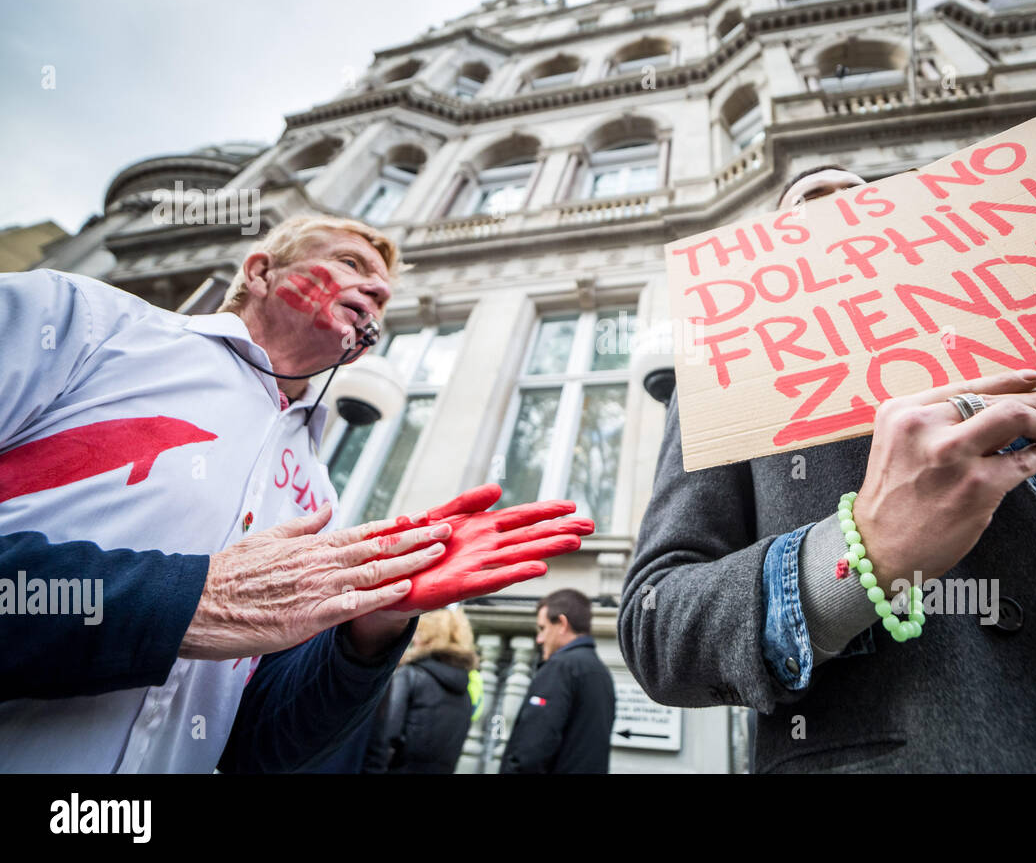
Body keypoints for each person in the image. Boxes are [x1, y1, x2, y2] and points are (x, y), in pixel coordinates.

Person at [618, 165, 1036, 773]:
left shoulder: (1025, 321)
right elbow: (658, 621)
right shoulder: (724, 371)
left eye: (868, 195)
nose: (841, 210)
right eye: (808, 203)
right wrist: (861, 555)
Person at [0, 214, 588, 772]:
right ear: (260, 272)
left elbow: (258, 745)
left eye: (384, 295)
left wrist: (372, 629)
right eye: (350, 263)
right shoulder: (85, 324)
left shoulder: (318, 492)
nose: (374, 292)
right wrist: (190, 601)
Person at [500, 588, 615, 773]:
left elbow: (531, 747)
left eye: (543, 628)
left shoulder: (560, 667)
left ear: (562, 624)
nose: (539, 639)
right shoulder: (601, 673)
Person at [363, 608, 481, 773]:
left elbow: (385, 736)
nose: (414, 640)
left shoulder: (411, 675)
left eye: (418, 634)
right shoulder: (466, 692)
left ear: (428, 638)